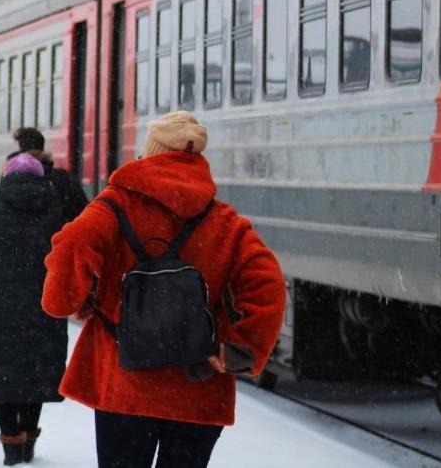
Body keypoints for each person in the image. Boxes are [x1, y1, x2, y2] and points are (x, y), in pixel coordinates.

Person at [42, 111, 286, 468]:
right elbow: (269, 284)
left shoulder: (112, 207)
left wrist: (67, 300)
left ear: (149, 153)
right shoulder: (224, 221)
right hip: (196, 386)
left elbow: (72, 245)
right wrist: (240, 346)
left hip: (124, 382)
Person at [0, 152, 68, 466]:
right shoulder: (56, 217)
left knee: (2, 375)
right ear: (42, 181)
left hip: (0, 309)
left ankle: (11, 443)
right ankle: (29, 438)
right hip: (45, 306)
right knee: (36, 373)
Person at [9, 127, 88, 223]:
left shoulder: (11, 181)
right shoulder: (64, 178)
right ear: (42, 149)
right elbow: (83, 214)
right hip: (59, 236)